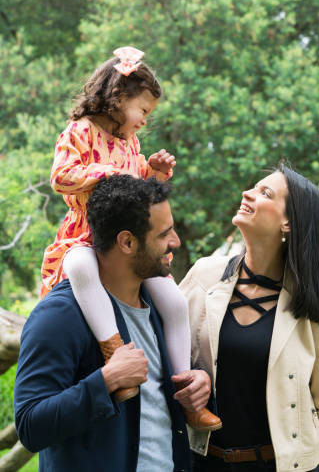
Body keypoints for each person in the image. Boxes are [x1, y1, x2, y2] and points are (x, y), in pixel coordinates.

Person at [40, 46, 220, 430]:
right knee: (81, 270)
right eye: (142, 110)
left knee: (173, 300)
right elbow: (60, 176)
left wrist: (153, 174)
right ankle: (114, 352)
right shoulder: (80, 131)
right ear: (118, 99)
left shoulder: (130, 143)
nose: (144, 121)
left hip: (130, 239)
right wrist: (105, 173)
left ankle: (185, 390)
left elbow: (138, 192)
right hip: (86, 233)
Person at [15, 175, 213, 471]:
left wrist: (197, 382)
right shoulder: (58, 317)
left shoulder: (160, 307)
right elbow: (31, 426)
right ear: (127, 242)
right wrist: (106, 381)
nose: (175, 242)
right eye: (164, 234)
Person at [180, 163, 319, 472]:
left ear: (288, 222)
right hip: (203, 463)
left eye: (265, 192)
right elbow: (166, 351)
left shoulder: (315, 301)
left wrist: (290, 453)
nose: (247, 193)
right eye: (254, 187)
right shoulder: (203, 275)